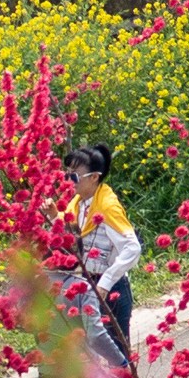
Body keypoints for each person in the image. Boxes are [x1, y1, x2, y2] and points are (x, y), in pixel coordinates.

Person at [66, 141, 139, 359]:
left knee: (117, 356)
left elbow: (132, 247)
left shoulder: (107, 206)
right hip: (88, 284)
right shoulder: (78, 203)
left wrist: (106, 282)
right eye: (66, 175)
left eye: (74, 177)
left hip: (112, 289)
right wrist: (53, 215)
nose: (69, 182)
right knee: (91, 356)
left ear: (94, 177)